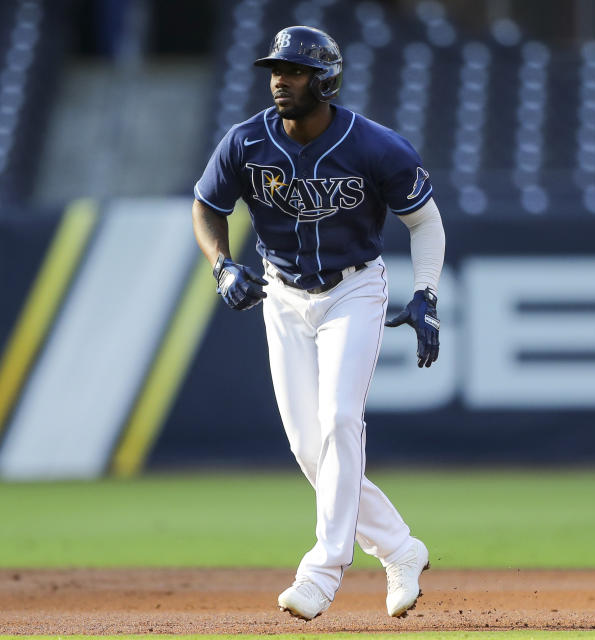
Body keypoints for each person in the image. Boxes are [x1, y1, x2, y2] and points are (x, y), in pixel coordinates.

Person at [191, 26, 444, 619]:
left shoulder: (376, 147)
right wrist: (223, 265)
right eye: (276, 69)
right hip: (281, 293)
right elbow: (207, 206)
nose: (281, 79)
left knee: (338, 419)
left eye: (296, 70)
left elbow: (425, 222)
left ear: (325, 79)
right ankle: (402, 549)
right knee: (311, 448)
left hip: (354, 287)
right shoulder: (245, 141)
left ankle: (323, 571)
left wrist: (426, 294)